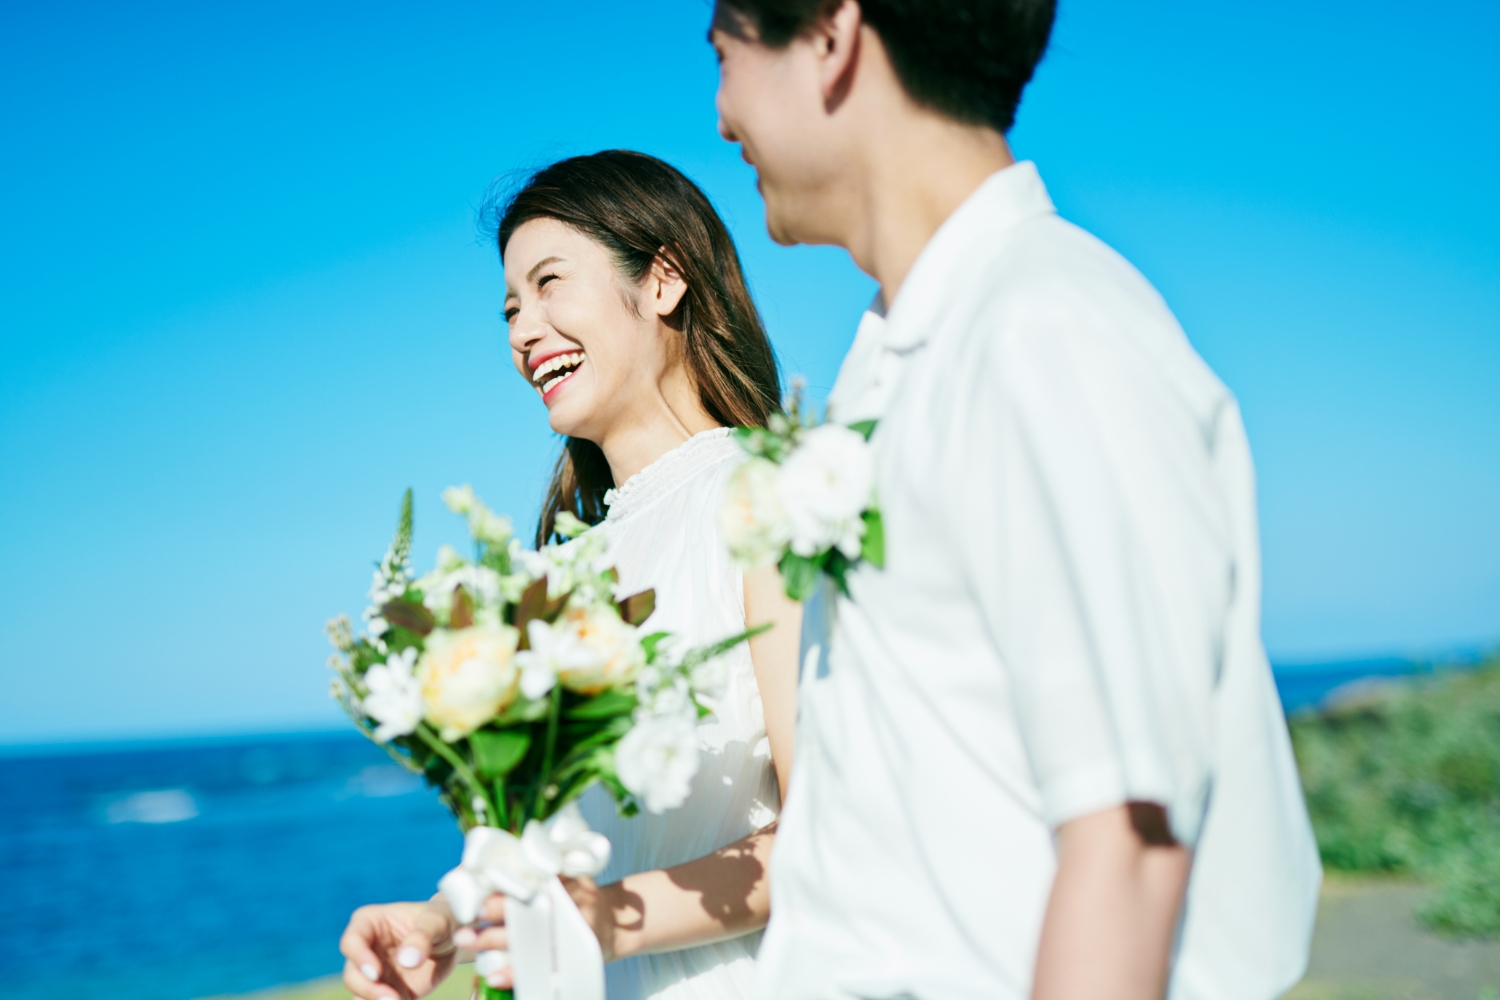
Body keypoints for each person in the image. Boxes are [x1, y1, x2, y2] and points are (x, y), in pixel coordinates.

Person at [708, 2, 1323, 999]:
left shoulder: (1045, 332)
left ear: (831, 38)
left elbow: (1127, 837)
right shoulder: (893, 355)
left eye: (724, 56)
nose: (722, 114)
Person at [337, 150, 803, 1000]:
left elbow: (835, 834)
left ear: (663, 280)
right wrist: (445, 919)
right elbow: (552, 837)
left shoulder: (767, 496)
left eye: (549, 284)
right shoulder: (565, 566)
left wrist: (605, 918)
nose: (522, 330)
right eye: (511, 307)